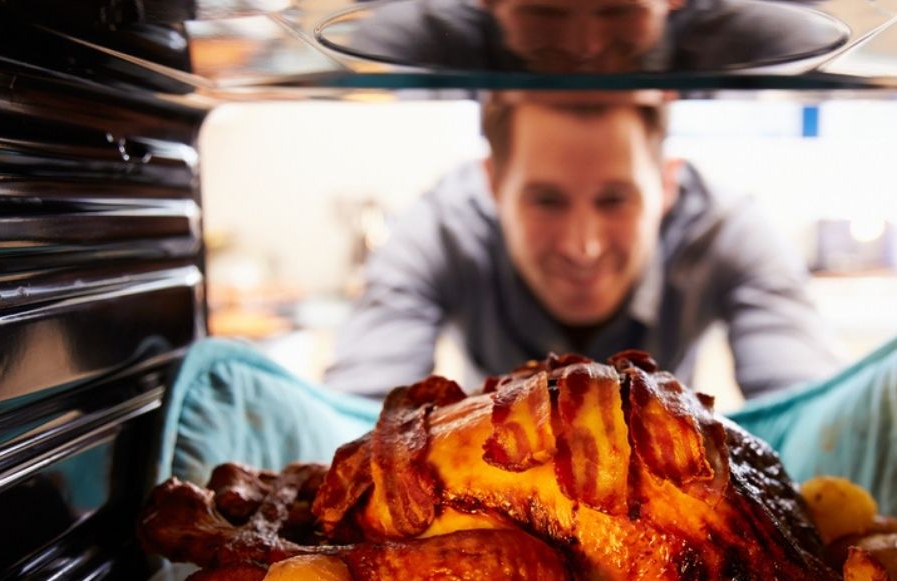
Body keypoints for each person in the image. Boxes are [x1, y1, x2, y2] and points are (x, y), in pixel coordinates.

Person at [324, 92, 841, 401]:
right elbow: (362, 411)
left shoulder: (725, 230)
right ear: (493, 185)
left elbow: (806, 405)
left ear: (666, 186)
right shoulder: (439, 230)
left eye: (615, 200)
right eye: (546, 201)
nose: (584, 246)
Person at [337, 0, 847, 74]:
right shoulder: (416, 38)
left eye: (617, 10)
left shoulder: (756, 37)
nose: (585, 46)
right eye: (545, 11)